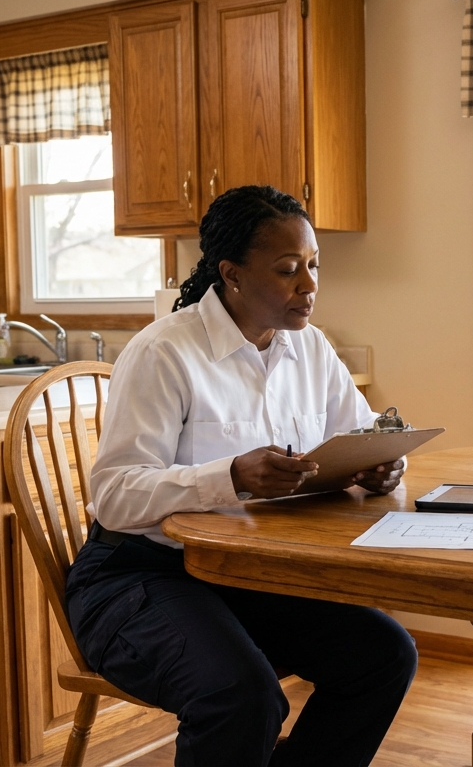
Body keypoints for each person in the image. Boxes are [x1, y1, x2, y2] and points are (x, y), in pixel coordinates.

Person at [65, 185, 418, 766]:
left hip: (247, 574)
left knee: (385, 656)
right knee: (241, 695)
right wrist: (230, 475)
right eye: (287, 270)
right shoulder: (164, 353)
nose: (309, 284)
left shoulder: (310, 349)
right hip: (137, 576)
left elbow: (363, 436)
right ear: (230, 273)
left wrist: (380, 466)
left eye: (313, 266)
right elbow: (113, 495)